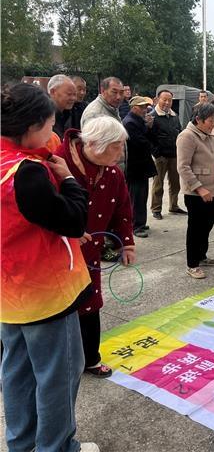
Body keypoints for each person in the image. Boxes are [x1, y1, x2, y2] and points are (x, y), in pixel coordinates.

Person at [1, 83, 100, 452]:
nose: (53, 131)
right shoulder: (26, 174)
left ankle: (22, 444)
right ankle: (57, 447)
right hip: (44, 295)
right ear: (31, 126)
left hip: (9, 294)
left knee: (17, 372)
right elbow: (72, 220)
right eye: (49, 123)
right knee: (58, 375)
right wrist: (70, 180)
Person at [57, 116, 135, 379]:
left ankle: (90, 358)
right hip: (57, 253)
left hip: (90, 253)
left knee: (90, 303)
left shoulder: (112, 172)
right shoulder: (58, 163)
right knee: (54, 310)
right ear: (94, 144)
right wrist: (68, 229)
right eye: (116, 147)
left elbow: (123, 210)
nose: (120, 153)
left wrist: (127, 244)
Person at [177, 103, 214, 279]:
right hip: (196, 193)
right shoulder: (187, 136)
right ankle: (192, 264)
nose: (213, 124)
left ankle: (201, 255)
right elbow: (183, 167)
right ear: (198, 120)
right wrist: (199, 188)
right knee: (196, 228)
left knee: (207, 224)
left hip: (212, 190)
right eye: (210, 121)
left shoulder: (209, 135)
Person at [122, 96, 157, 238]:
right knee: (136, 197)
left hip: (141, 166)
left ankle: (140, 222)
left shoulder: (137, 120)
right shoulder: (130, 122)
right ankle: (136, 225)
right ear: (134, 108)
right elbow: (141, 143)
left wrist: (148, 127)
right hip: (135, 167)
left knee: (141, 196)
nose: (145, 110)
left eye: (145, 107)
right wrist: (148, 131)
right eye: (142, 107)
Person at [149, 89, 186, 219]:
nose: (167, 102)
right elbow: (149, 137)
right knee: (158, 184)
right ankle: (156, 209)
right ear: (157, 99)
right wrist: (157, 154)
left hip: (174, 155)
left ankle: (174, 206)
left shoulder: (174, 116)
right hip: (161, 156)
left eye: (169, 100)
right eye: (164, 99)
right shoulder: (152, 116)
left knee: (175, 183)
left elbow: (179, 131)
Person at [47, 74, 77, 139]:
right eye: (69, 94)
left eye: (74, 94)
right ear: (52, 92)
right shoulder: (44, 116)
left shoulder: (69, 113)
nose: (73, 98)